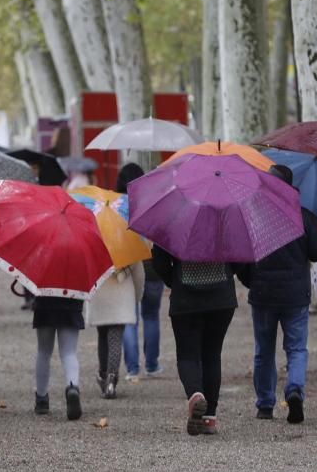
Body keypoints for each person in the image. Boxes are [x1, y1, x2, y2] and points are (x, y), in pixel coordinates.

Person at [242, 164, 317, 424]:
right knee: (296, 349)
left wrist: (251, 280)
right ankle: (294, 390)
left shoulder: (254, 215)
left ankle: (265, 404)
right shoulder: (303, 216)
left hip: (263, 294)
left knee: (264, 351)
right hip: (295, 295)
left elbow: (243, 256)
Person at [151, 243, 239, 436]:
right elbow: (239, 255)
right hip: (221, 296)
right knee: (212, 355)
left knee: (187, 355)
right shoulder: (225, 217)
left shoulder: (173, 218)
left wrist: (174, 281)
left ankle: (195, 394)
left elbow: (159, 260)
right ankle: (210, 419)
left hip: (185, 298)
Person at [118, 163, 166, 381]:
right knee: (151, 316)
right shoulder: (152, 204)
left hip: (128, 265)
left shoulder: (116, 207)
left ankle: (132, 368)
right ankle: (153, 365)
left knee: (130, 319)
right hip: (152, 267)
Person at [88, 260, 144, 399]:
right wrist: (136, 297)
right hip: (122, 294)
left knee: (102, 336)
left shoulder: (95, 241)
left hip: (100, 293)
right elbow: (139, 275)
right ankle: (112, 380)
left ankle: (103, 375)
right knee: (115, 339)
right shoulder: (128, 245)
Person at [32, 293, 84, 420]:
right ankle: (72, 387)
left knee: (44, 352)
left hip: (45, 304)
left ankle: (41, 398)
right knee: (69, 353)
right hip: (72, 302)